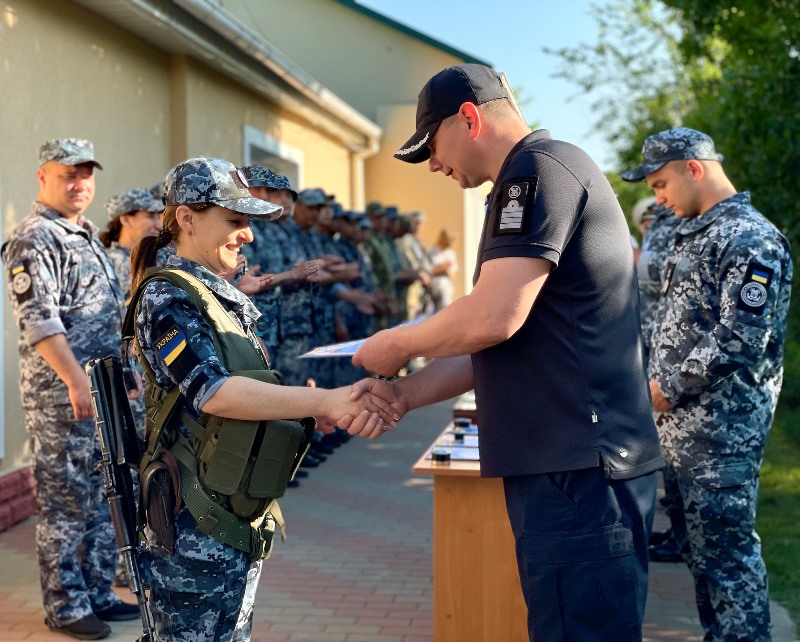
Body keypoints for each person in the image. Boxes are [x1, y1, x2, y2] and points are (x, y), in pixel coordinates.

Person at [345, 63, 664, 642]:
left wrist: (394, 342)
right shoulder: (528, 179)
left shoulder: (537, 172)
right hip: (566, 469)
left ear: (468, 118)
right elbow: (495, 338)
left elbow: (493, 317)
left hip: (581, 473)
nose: (433, 164)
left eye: (431, 147)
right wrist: (402, 394)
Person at [128, 157, 399, 641]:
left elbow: (246, 383)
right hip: (195, 525)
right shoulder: (169, 298)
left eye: (248, 223)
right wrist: (325, 402)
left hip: (228, 509)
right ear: (186, 218)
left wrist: (302, 407)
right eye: (234, 221)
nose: (247, 235)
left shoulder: (212, 292)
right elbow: (214, 393)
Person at [621, 127, 792, 642]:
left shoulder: (749, 238)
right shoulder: (694, 230)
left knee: (730, 565)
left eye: (660, 184)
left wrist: (661, 391)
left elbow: (739, 339)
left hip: (722, 435)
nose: (659, 198)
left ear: (694, 168)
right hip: (685, 435)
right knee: (704, 561)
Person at [1, 138, 139, 640]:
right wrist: (77, 382)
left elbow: (106, 318)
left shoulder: (83, 237)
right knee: (65, 503)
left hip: (101, 390)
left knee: (101, 498)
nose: (79, 184)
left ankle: (98, 593)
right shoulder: (34, 238)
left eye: (86, 174)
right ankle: (64, 605)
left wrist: (125, 378)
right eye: (67, 175)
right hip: (62, 398)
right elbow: (39, 322)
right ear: (43, 177)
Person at [427, 228, 458, 311]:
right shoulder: (432, 251)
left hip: (444, 289)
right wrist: (443, 267)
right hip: (432, 288)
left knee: (444, 311)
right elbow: (428, 270)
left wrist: (446, 270)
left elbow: (452, 274)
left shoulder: (450, 253)